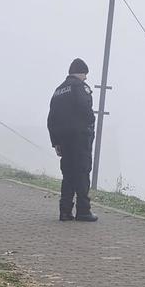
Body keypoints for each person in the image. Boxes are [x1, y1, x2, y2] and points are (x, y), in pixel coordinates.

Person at [47, 58, 98, 222]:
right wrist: (90, 123)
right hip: (80, 138)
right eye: (85, 75)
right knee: (82, 172)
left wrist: (55, 142)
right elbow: (85, 108)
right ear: (81, 73)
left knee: (68, 175)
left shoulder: (58, 90)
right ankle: (83, 211)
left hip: (63, 140)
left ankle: (65, 211)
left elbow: (51, 119)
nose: (86, 78)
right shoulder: (80, 87)